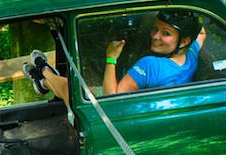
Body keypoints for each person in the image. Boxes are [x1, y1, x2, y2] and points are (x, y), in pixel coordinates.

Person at [23, 11, 207, 107]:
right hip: (142, 103)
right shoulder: (191, 55)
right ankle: (42, 81)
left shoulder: (151, 65)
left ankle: (43, 72)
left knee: (70, 91)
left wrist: (111, 58)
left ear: (184, 40)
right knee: (88, 89)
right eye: (156, 28)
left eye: (165, 33)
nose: (155, 36)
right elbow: (202, 33)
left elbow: (111, 99)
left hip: (116, 116)